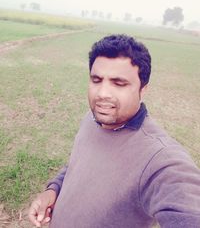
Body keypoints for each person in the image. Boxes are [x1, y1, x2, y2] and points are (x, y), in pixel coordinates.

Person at [29, 34, 200, 228]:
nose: (102, 94)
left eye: (119, 83)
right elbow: (76, 165)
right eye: (96, 80)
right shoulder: (92, 119)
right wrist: (52, 190)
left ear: (143, 90)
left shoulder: (161, 160)